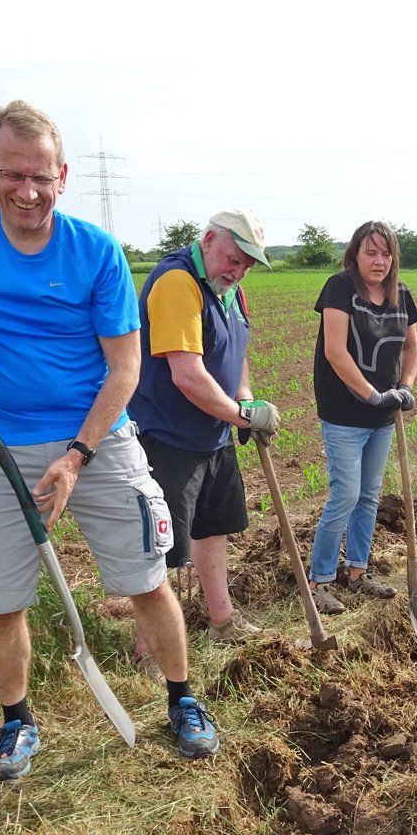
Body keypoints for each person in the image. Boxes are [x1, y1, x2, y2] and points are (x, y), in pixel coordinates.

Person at [0, 99, 219, 777]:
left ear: (63, 175)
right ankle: (17, 722)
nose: (28, 191)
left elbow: (126, 367)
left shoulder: (93, 252)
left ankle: (182, 699)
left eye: (41, 176)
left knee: (147, 579)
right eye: (12, 174)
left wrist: (77, 457)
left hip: (97, 442)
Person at [128, 211, 280, 646]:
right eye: (234, 258)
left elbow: (237, 352)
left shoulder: (230, 290)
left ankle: (223, 623)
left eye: (248, 264)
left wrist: (245, 398)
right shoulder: (178, 282)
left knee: (213, 530)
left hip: (213, 436)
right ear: (209, 240)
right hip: (169, 438)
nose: (239, 270)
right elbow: (187, 375)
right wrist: (243, 416)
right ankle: (149, 648)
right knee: (163, 549)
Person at [306, 222, 417, 613]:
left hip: (384, 414)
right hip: (344, 412)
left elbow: (412, 348)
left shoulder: (401, 294)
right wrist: (370, 394)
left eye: (386, 253)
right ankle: (319, 580)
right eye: (371, 252)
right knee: (346, 494)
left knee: (369, 496)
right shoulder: (340, 288)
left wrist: (404, 387)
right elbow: (336, 352)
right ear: (355, 254)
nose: (379, 261)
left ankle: (357, 572)